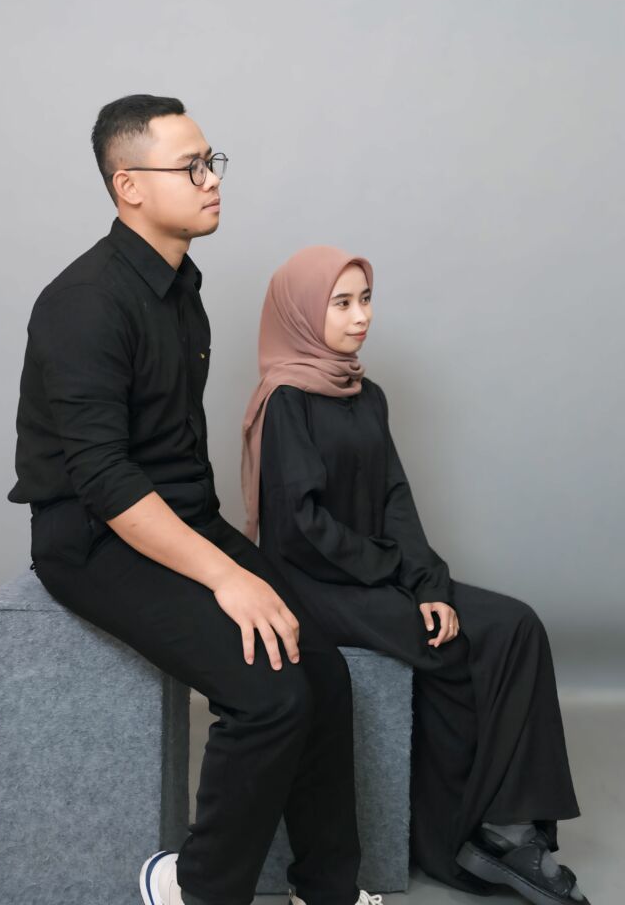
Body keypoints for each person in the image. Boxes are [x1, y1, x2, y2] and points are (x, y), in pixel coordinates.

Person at [7, 95, 383, 905]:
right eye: (191, 167)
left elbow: (171, 461)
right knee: (271, 697)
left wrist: (227, 556)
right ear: (129, 186)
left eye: (212, 162)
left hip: (180, 517)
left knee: (320, 667)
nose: (212, 180)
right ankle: (197, 889)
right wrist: (226, 577)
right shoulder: (82, 303)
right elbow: (106, 482)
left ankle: (327, 890)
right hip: (93, 538)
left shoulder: (180, 287)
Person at [240, 244, 590, 905]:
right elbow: (299, 529)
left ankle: (509, 828)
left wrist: (427, 583)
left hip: (375, 571)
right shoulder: (285, 400)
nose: (361, 317)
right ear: (303, 313)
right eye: (341, 303)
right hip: (313, 587)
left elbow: (395, 499)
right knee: (449, 646)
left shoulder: (365, 395)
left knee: (517, 625)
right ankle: (465, 837)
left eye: (365, 299)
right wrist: (395, 573)